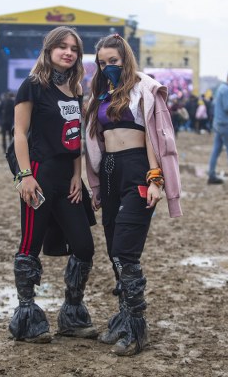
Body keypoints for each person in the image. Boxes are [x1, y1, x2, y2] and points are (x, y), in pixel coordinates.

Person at [84, 34, 182, 356]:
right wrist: (96, 184)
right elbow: (95, 143)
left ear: (125, 59)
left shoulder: (143, 89)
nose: (107, 66)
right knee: (113, 247)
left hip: (138, 168)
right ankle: (124, 316)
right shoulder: (100, 94)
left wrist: (156, 179)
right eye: (102, 62)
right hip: (110, 171)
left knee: (126, 249)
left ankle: (138, 328)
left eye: (113, 61)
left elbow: (154, 137)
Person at [10, 26, 97, 344]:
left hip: (67, 179)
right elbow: (19, 133)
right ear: (48, 50)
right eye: (62, 46)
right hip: (38, 176)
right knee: (30, 247)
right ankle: (27, 317)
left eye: (74, 48)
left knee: (84, 247)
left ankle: (72, 316)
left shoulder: (76, 89)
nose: (68, 52)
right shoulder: (32, 85)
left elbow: (75, 136)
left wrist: (78, 175)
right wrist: (24, 176)